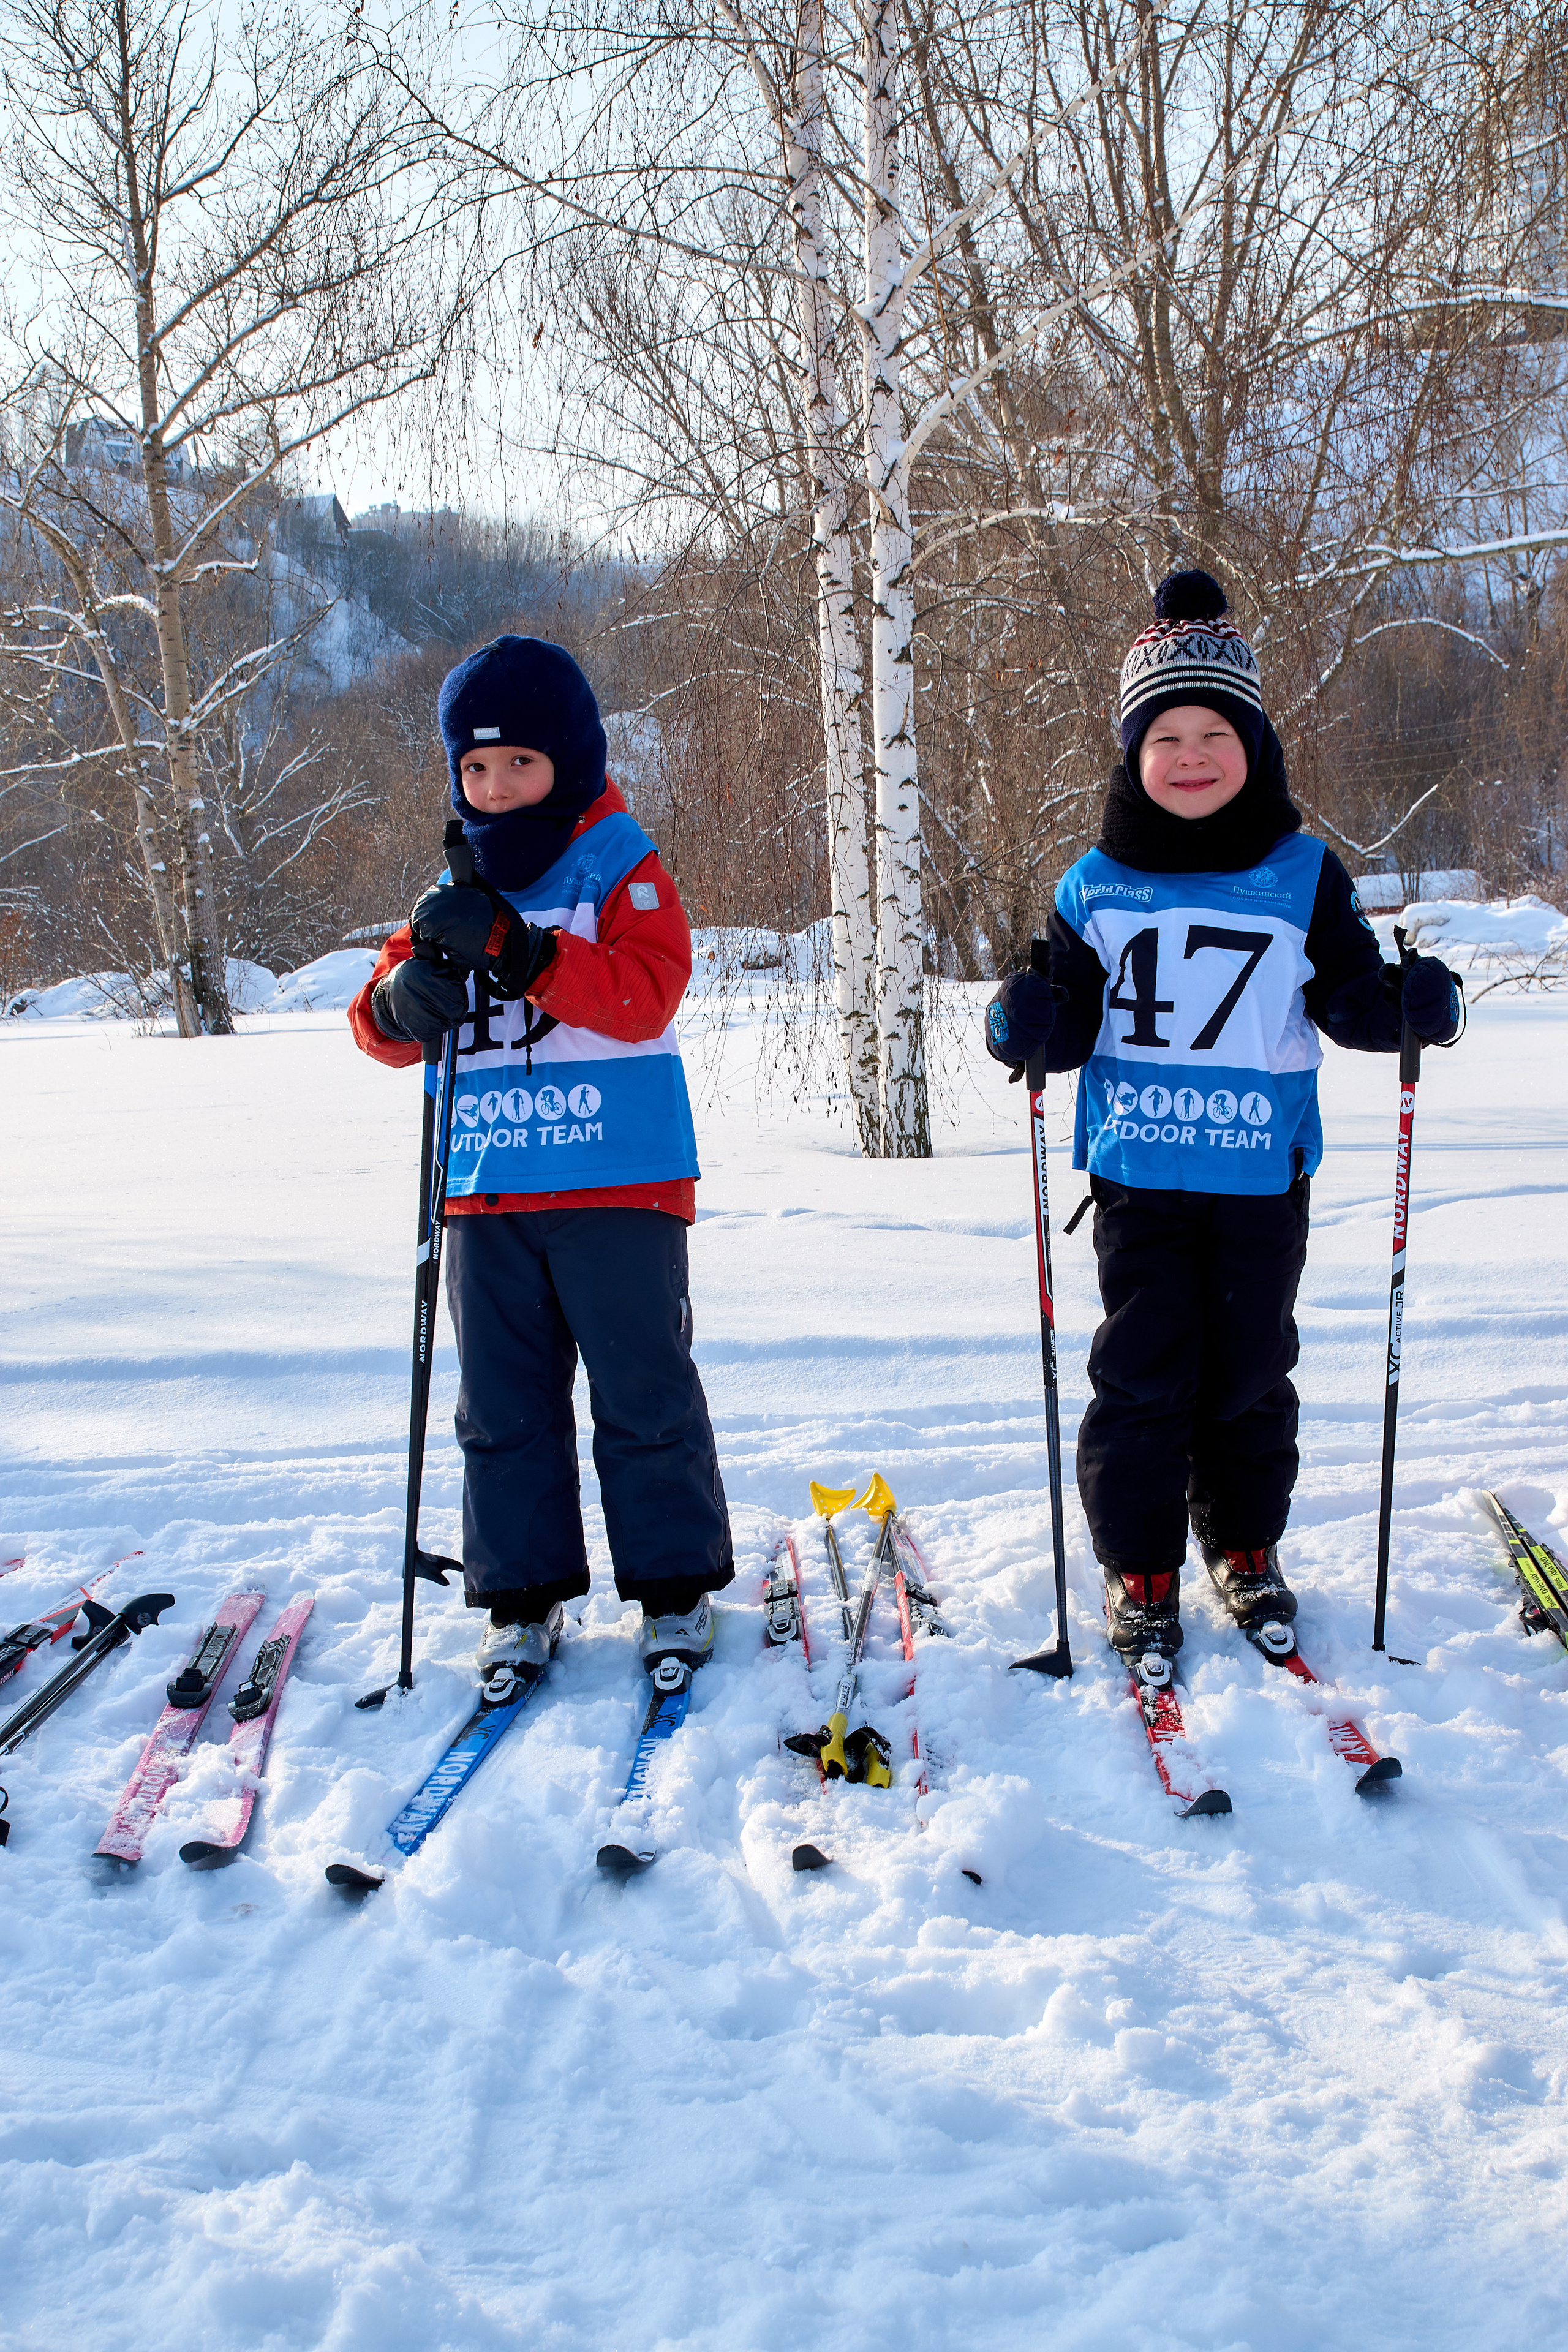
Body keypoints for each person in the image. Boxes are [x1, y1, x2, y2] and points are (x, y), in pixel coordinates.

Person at [984, 570, 1463, 1660]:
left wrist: (1410, 1009)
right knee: (1143, 1373)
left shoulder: (1300, 872)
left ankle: (1245, 1547)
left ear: (1254, 742)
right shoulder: (1093, 886)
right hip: (1142, 1181)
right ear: (1131, 752)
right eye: (1166, 736)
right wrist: (1020, 1025)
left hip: (1259, 1182)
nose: (1190, 755)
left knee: (1250, 1371)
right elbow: (1058, 1027)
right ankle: (1139, 1565)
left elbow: (1348, 997)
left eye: (1214, 731)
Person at [349, 634, 733, 1697]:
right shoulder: (449, 885)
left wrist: (522, 952)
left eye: (520, 762)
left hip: (620, 1181)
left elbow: (645, 992)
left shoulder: (619, 862)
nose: (497, 786)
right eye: (475, 769)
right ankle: (521, 1598)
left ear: (569, 755)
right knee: (504, 1405)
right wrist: (400, 1003)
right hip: (485, 1188)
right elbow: (378, 1025)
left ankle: (672, 1586)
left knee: (642, 1389)